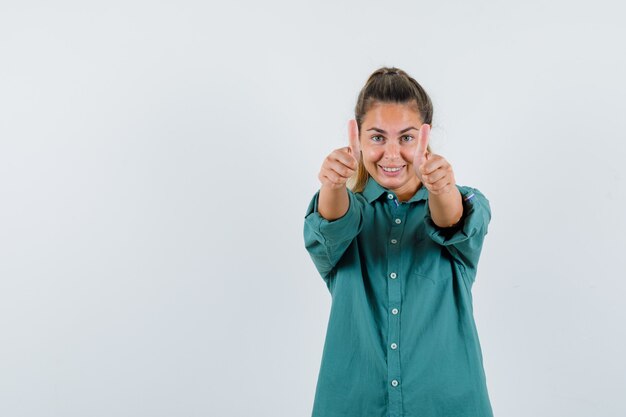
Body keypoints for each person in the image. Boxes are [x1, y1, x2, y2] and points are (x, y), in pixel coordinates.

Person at [303, 67, 494, 417]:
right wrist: (332, 184)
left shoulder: (465, 204)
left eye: (406, 138)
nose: (392, 155)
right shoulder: (350, 212)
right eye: (377, 138)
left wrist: (441, 188)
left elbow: (450, 219)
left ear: (426, 137)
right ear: (358, 138)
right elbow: (333, 221)